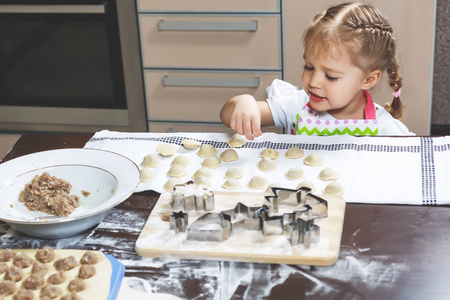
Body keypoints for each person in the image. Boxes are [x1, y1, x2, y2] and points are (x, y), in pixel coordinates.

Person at [220, 2, 414, 140]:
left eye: (330, 76)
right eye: (309, 67)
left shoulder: (387, 130)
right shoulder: (295, 106)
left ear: (369, 79)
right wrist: (244, 102)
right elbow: (227, 116)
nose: (313, 82)